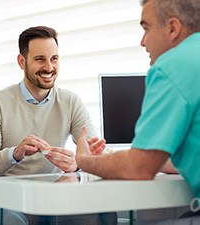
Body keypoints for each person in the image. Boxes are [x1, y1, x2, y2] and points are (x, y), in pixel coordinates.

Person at [0, 26, 116, 225]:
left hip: (53, 198)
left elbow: (94, 149)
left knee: (102, 214)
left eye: (54, 58)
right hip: (7, 200)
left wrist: (78, 163)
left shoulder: (70, 101)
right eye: (40, 59)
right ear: (21, 62)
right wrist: (16, 153)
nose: (49, 67)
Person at [75, 0, 200, 224]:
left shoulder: (173, 65)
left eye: (146, 28)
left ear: (172, 28)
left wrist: (83, 160)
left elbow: (139, 169)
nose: (142, 42)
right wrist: (114, 158)